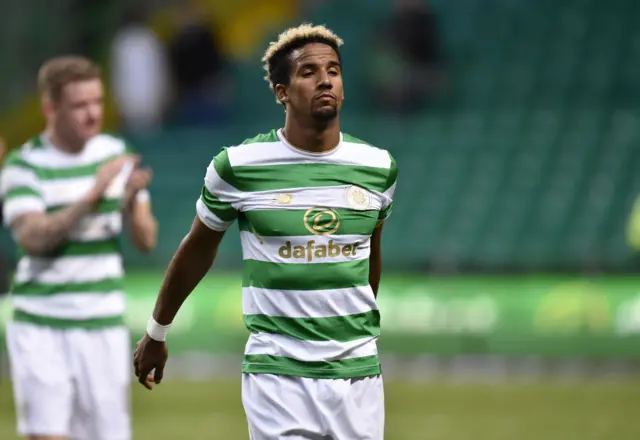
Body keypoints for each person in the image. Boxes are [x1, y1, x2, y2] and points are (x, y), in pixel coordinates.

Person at [133, 23, 398, 439]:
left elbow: (369, 255)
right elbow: (197, 249)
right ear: (281, 91)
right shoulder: (239, 167)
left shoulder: (378, 168)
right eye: (308, 72)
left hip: (359, 374)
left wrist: (353, 329)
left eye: (333, 69)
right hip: (278, 375)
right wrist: (157, 331)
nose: (325, 79)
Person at [0, 55, 158, 440]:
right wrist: (94, 193)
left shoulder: (113, 153)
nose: (92, 114)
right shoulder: (25, 165)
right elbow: (33, 238)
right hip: (42, 324)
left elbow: (147, 241)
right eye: (80, 105)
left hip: (102, 323)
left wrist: (132, 203)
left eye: (97, 102)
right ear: (51, 108)